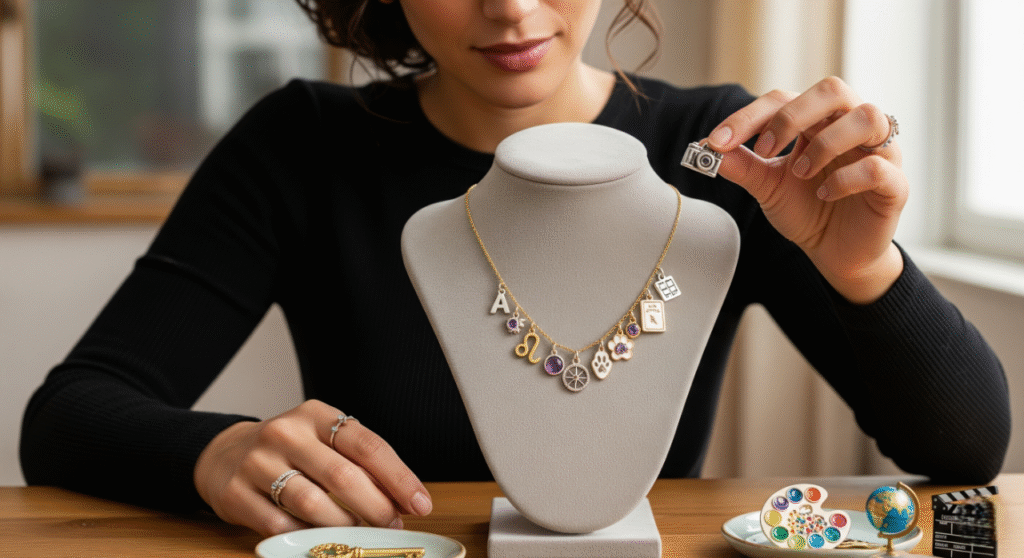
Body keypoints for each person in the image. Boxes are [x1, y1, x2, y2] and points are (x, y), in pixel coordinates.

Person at [20, 0, 1010, 539]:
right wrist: (215, 451)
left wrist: (865, 267)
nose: (511, 7)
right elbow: (68, 415)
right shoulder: (301, 147)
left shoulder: (720, 154)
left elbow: (966, 453)